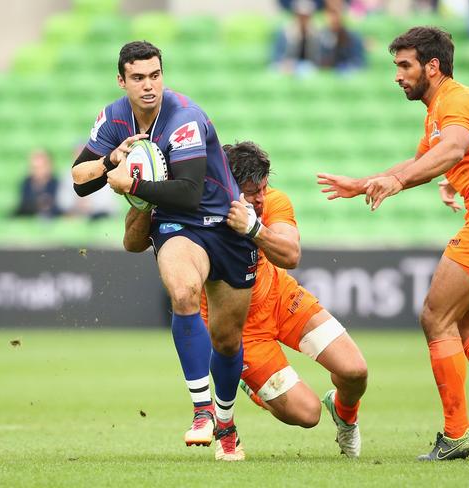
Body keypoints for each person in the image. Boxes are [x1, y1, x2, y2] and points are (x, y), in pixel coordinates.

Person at [317, 26, 469, 461]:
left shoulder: (454, 101)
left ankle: (456, 434)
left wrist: (399, 181)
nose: (398, 76)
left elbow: (453, 149)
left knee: (435, 317)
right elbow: (427, 159)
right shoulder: (443, 106)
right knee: (463, 321)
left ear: (432, 66)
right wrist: (361, 183)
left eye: (405, 65)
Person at [71, 41, 258, 461]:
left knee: (227, 341)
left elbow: (191, 192)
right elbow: (79, 179)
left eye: (155, 75)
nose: (149, 85)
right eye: (138, 78)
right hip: (177, 225)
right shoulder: (112, 117)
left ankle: (227, 425)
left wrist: (130, 184)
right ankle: (202, 411)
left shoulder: (184, 118)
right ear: (122, 81)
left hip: (224, 225)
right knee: (183, 293)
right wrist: (108, 163)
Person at [124, 141, 368, 458]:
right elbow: (132, 243)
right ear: (227, 185)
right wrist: (145, 201)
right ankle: (240, 375)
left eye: (264, 187)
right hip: (239, 329)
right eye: (253, 191)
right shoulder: (192, 208)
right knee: (307, 415)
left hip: (281, 299)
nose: (261, 197)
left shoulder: (273, 202)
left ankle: (345, 415)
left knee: (355, 371)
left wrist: (254, 228)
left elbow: (291, 254)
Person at [12, 148, 60, 218]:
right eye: (35, 168)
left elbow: (60, 207)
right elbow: (22, 206)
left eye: (41, 167)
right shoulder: (26, 184)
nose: (38, 171)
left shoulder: (56, 184)